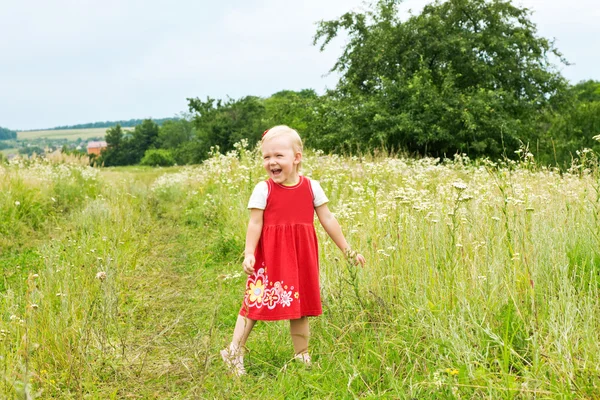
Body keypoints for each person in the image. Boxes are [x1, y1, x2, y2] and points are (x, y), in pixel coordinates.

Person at [221, 125, 366, 376]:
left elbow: (328, 219)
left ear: (296, 158)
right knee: (254, 304)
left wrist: (348, 250)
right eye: (266, 157)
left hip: (301, 258)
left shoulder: (312, 187)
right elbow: (255, 223)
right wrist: (249, 253)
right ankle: (234, 352)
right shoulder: (263, 189)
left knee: (301, 307)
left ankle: (302, 356)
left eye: (278, 156)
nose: (271, 162)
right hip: (270, 258)